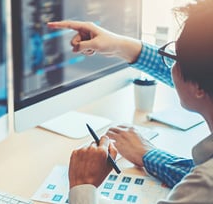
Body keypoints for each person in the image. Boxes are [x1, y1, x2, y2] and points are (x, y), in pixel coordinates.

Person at [48, 0, 213, 203]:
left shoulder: (204, 184)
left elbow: (201, 182)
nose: (171, 65)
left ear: (198, 87)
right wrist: (120, 45)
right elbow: (198, 74)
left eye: (175, 56)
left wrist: (82, 186)